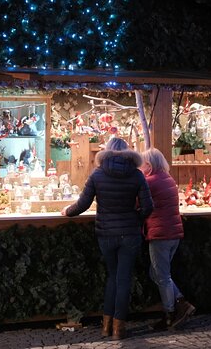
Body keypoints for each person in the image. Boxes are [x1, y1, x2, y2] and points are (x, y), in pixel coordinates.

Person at [61, 137, 153, 339]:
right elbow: (148, 207)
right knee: (124, 279)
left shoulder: (98, 174)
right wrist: (134, 220)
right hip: (129, 234)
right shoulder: (137, 175)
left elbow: (82, 204)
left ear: (107, 152)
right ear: (128, 152)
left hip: (106, 235)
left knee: (112, 277)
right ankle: (118, 330)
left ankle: (106, 326)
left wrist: (67, 211)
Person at [140, 147, 196, 330]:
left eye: (142, 163)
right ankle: (180, 302)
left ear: (149, 164)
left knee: (162, 276)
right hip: (173, 234)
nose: (141, 166)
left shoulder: (150, 182)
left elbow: (137, 203)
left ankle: (170, 314)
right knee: (156, 273)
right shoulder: (168, 179)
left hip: (160, 234)